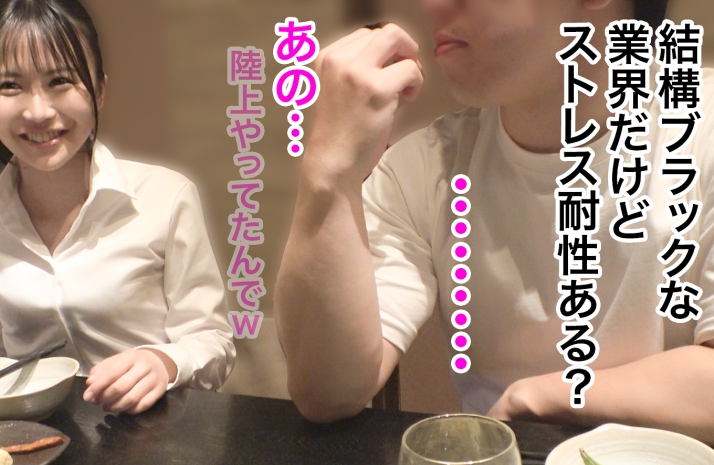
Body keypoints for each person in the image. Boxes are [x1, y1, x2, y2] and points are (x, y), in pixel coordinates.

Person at [275, 0, 714, 442]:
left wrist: (539, 396)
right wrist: (329, 173)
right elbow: (328, 392)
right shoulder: (427, 168)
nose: (431, 5)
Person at [0, 0, 235, 415]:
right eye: (9, 86)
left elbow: (213, 343)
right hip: (36, 431)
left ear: (99, 90)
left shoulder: (166, 196)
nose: (38, 111)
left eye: (60, 80)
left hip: (155, 427)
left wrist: (163, 362)